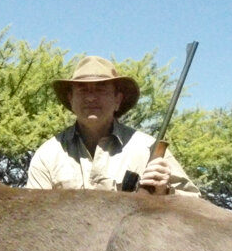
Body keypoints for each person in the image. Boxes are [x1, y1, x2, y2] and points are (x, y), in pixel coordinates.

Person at [26, 55, 199, 195]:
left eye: (100, 89)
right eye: (83, 90)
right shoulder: (48, 155)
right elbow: (35, 214)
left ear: (118, 99)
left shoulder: (148, 149)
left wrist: (165, 191)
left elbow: (195, 204)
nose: (91, 97)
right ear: (71, 99)